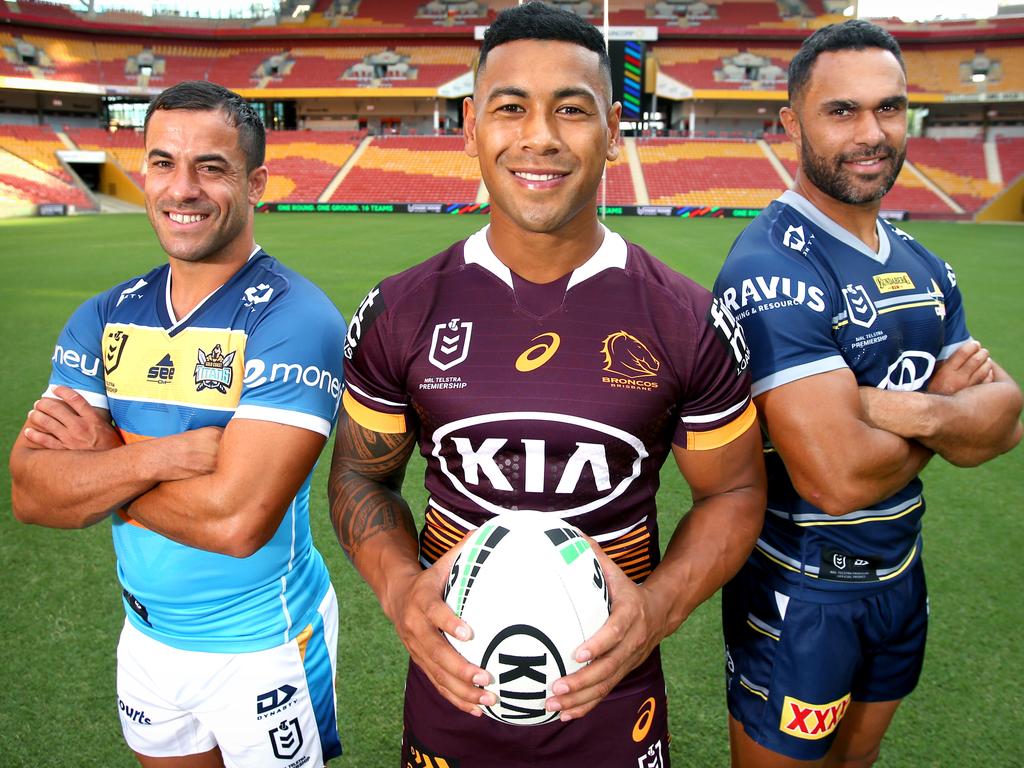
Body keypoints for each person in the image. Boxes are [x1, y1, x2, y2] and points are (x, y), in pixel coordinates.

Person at [327, 4, 766, 767]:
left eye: (572, 109)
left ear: (615, 129)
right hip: (449, 699)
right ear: (470, 127)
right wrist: (401, 591)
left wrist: (656, 608)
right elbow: (361, 475)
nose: (539, 136)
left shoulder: (687, 318)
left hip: (616, 702)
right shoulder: (400, 310)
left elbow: (732, 494)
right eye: (510, 108)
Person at [712, 19, 1023, 768]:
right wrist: (951, 417)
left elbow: (1006, 420)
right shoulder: (769, 269)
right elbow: (837, 478)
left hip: (899, 574)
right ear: (792, 123)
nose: (872, 132)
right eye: (842, 110)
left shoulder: (925, 265)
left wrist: (899, 406)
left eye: (888, 108)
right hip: (803, 591)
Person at [9, 81, 346, 768]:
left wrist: (97, 462)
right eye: (163, 163)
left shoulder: (293, 319)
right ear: (144, 174)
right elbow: (34, 493)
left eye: (211, 168)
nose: (182, 188)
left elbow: (235, 524)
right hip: (146, 638)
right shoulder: (103, 316)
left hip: (262, 647)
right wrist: (153, 458)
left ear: (256, 184)